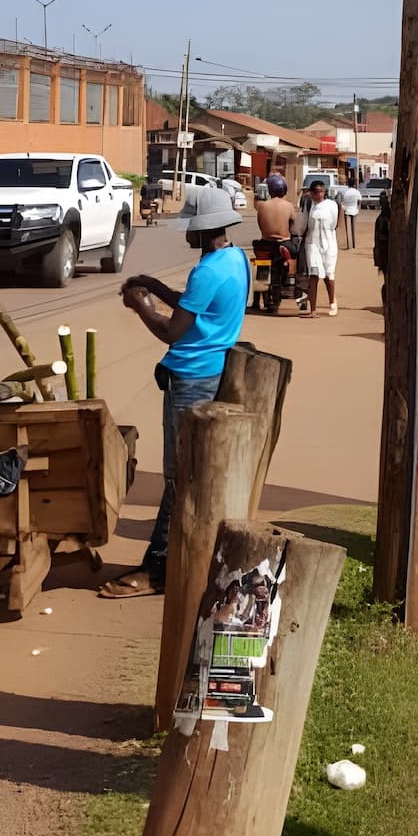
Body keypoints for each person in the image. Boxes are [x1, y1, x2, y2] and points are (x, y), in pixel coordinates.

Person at [99, 184, 250, 599]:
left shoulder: (208, 270)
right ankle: (176, 560)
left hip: (192, 375)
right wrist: (151, 283)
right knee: (188, 470)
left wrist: (140, 305)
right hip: (212, 370)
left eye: (191, 226)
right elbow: (194, 305)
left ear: (205, 230)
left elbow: (173, 329)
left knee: (177, 474)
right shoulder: (235, 259)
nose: (186, 232)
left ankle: (158, 568)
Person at [302, 177, 340, 317]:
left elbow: (335, 223)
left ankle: (332, 303)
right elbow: (304, 223)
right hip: (312, 243)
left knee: (329, 274)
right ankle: (313, 310)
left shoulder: (332, 205)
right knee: (314, 274)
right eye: (316, 192)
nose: (319, 194)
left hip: (329, 242)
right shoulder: (308, 204)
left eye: (321, 191)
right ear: (311, 193)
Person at [373, 190, 391, 308]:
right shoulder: (382, 219)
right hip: (385, 253)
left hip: (386, 253)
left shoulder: (386, 217)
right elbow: (380, 237)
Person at [338, 172, 360, 249]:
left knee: (348, 229)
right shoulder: (357, 192)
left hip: (346, 211)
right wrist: (357, 208)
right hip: (355, 211)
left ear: (348, 184)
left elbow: (340, 201)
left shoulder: (345, 192)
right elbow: (359, 201)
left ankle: (349, 245)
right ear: (354, 184)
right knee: (353, 229)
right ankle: (354, 245)